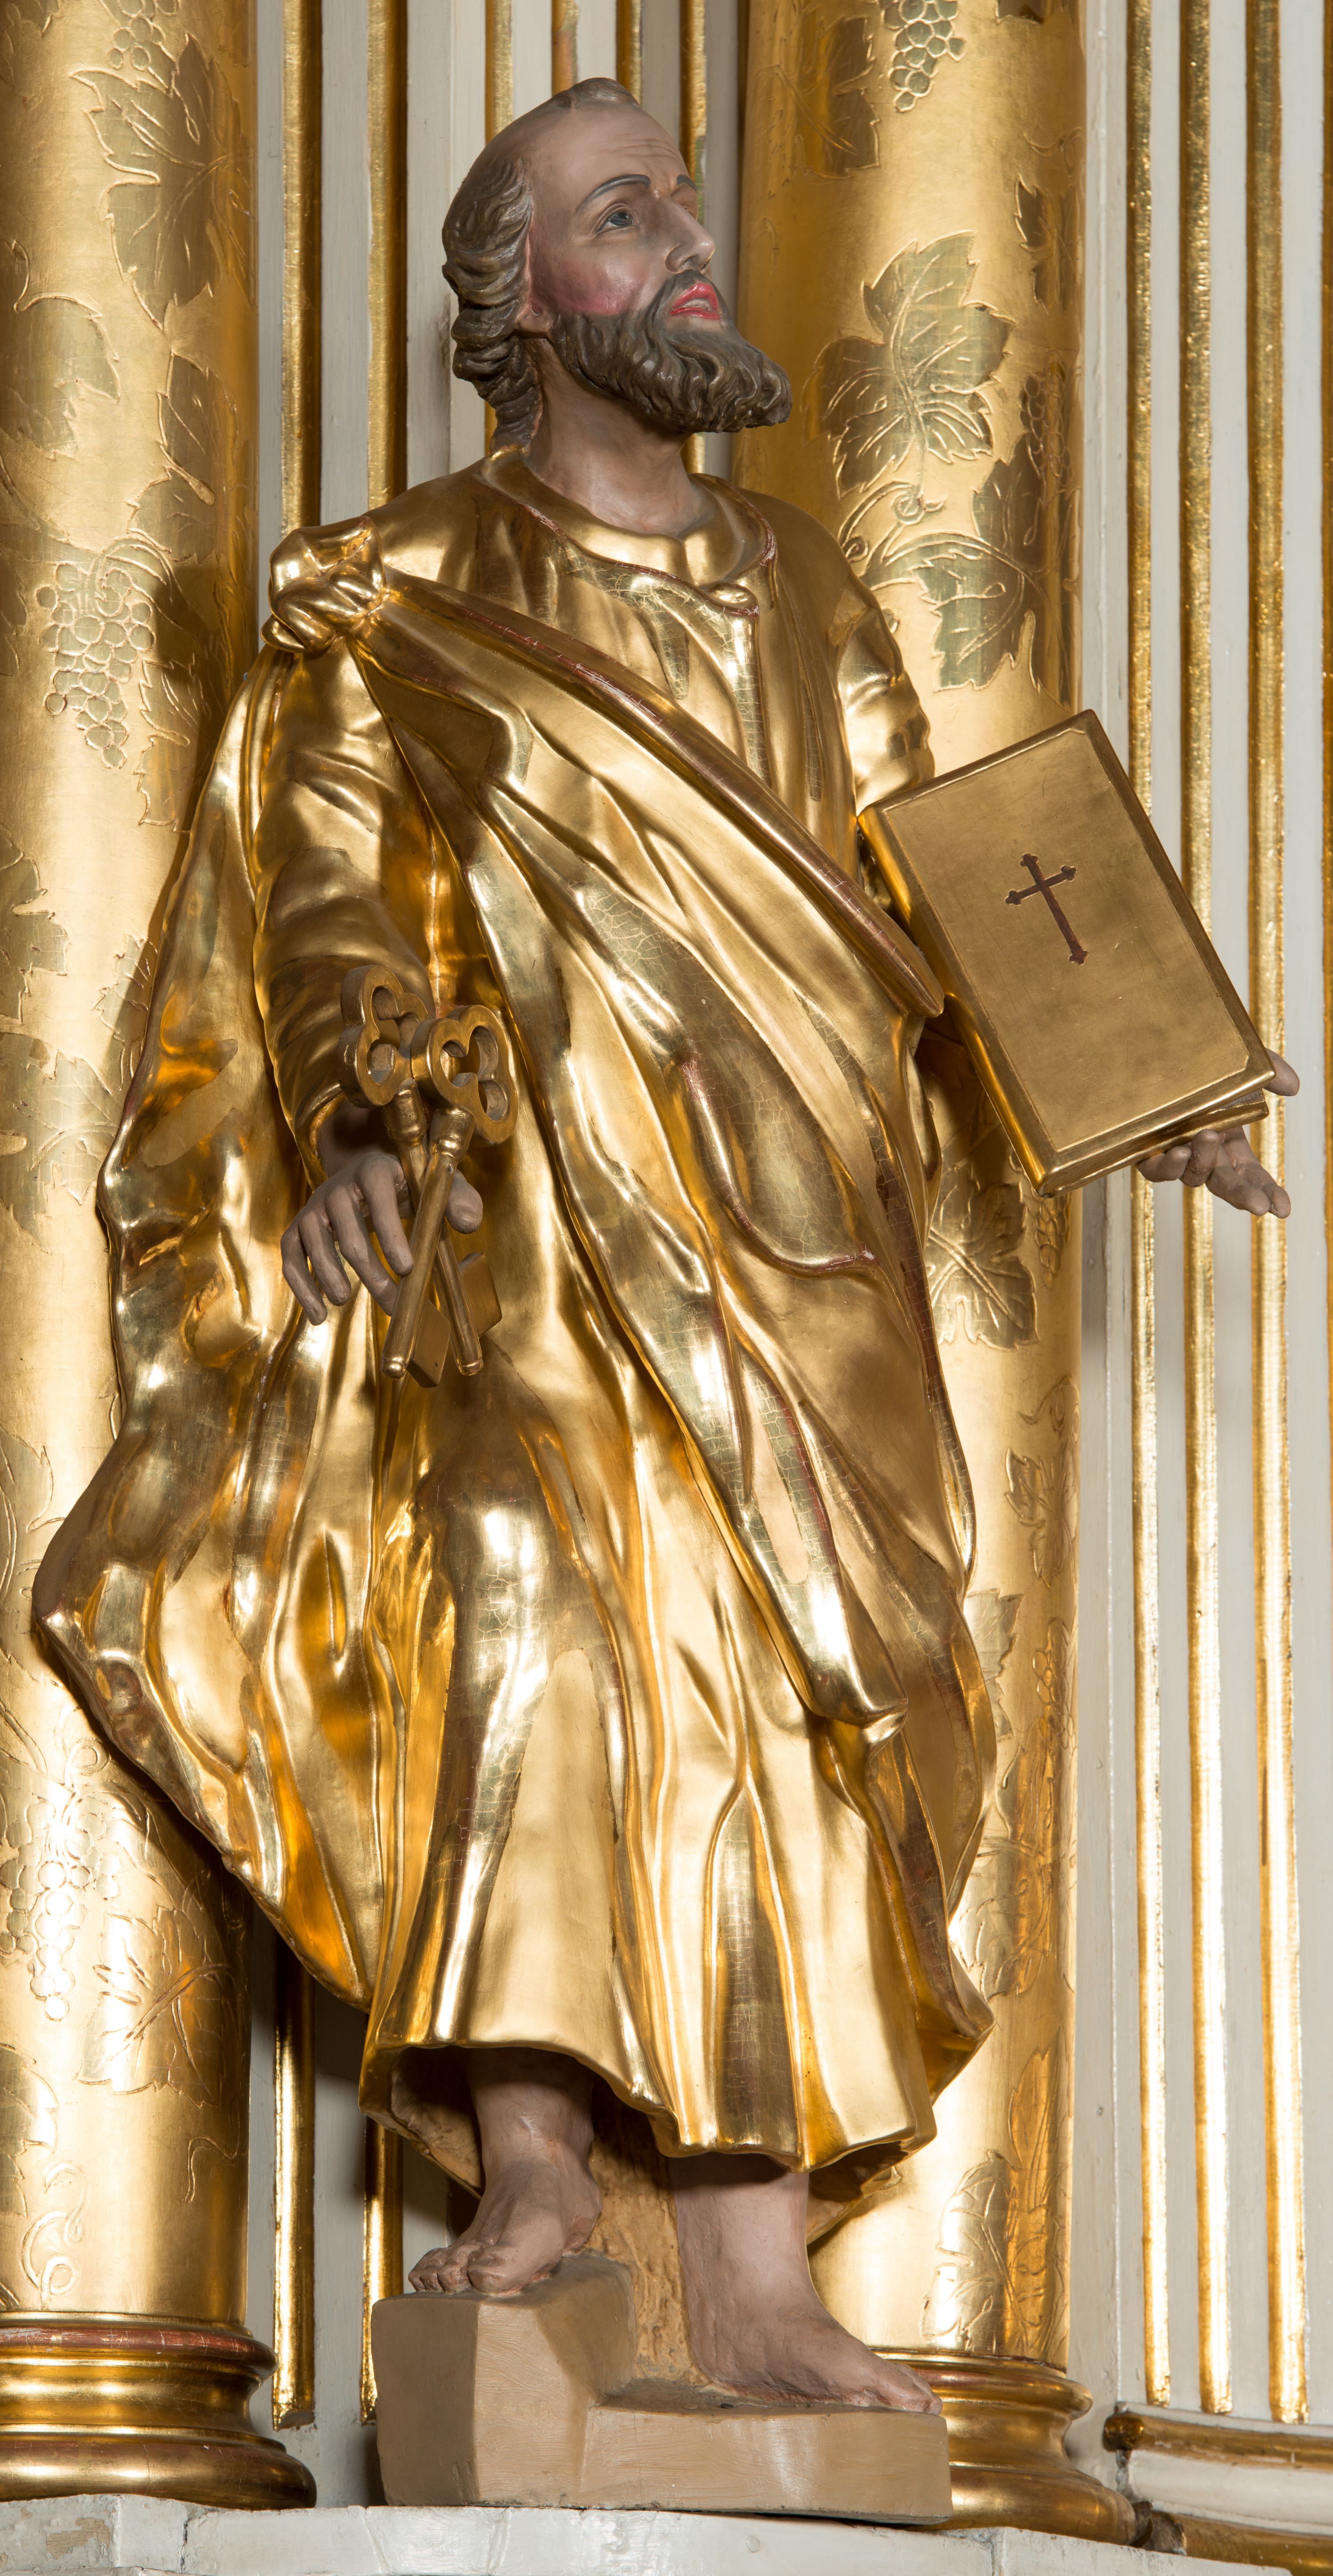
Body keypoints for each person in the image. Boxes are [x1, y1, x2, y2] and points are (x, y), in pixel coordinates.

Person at [37, 77, 1294, 2415]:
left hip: (806, 1237)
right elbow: (325, 889)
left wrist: (1151, 1072)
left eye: (685, 203)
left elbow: (938, 855)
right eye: (626, 215)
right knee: (524, 1605)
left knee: (798, 1680)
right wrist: (352, 1110)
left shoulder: (802, 585)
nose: (687, 245)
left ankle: (749, 2262)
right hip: (524, 1225)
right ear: (522, 300)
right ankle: (530, 2161)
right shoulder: (393, 591)